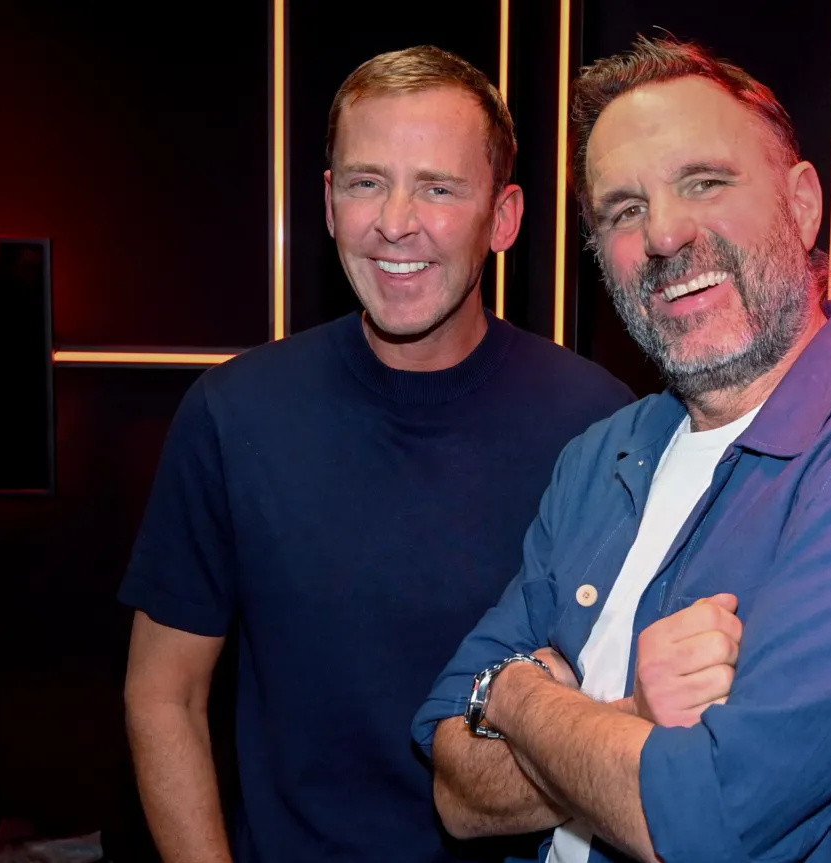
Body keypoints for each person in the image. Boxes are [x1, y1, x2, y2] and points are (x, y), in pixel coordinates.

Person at [414, 37, 831, 863]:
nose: (664, 234)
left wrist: (514, 695)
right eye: (623, 209)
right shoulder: (600, 454)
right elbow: (455, 788)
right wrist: (629, 719)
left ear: (803, 205)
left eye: (704, 182)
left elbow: (704, 819)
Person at [118, 46, 633, 863]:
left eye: (438, 187)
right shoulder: (235, 413)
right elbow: (162, 690)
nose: (396, 220)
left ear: (502, 218)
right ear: (327, 203)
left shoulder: (602, 426)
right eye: (365, 181)